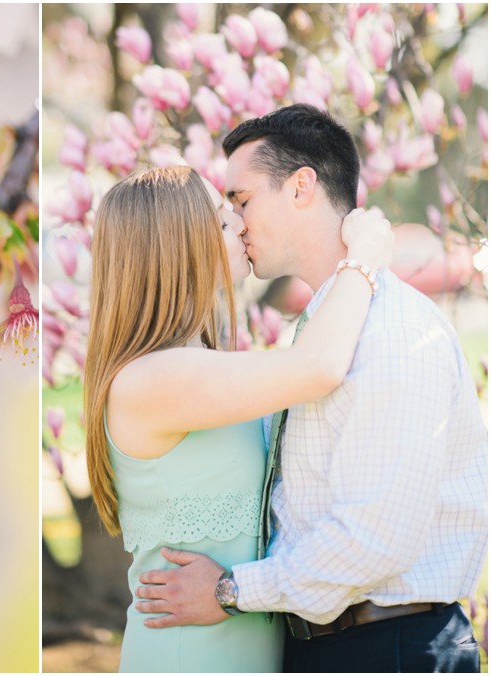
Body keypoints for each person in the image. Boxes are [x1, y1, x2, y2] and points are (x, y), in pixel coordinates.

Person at [133, 105, 488, 673]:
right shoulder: (329, 328)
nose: (237, 223)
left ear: (301, 188)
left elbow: (374, 539)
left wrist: (230, 590)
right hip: (330, 644)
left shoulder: (390, 332)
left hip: (386, 648)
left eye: (242, 201)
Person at [84, 163, 394, 672]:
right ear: (179, 247)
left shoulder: (194, 363)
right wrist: (363, 259)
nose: (242, 225)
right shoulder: (152, 380)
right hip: (189, 656)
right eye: (224, 221)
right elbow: (318, 367)